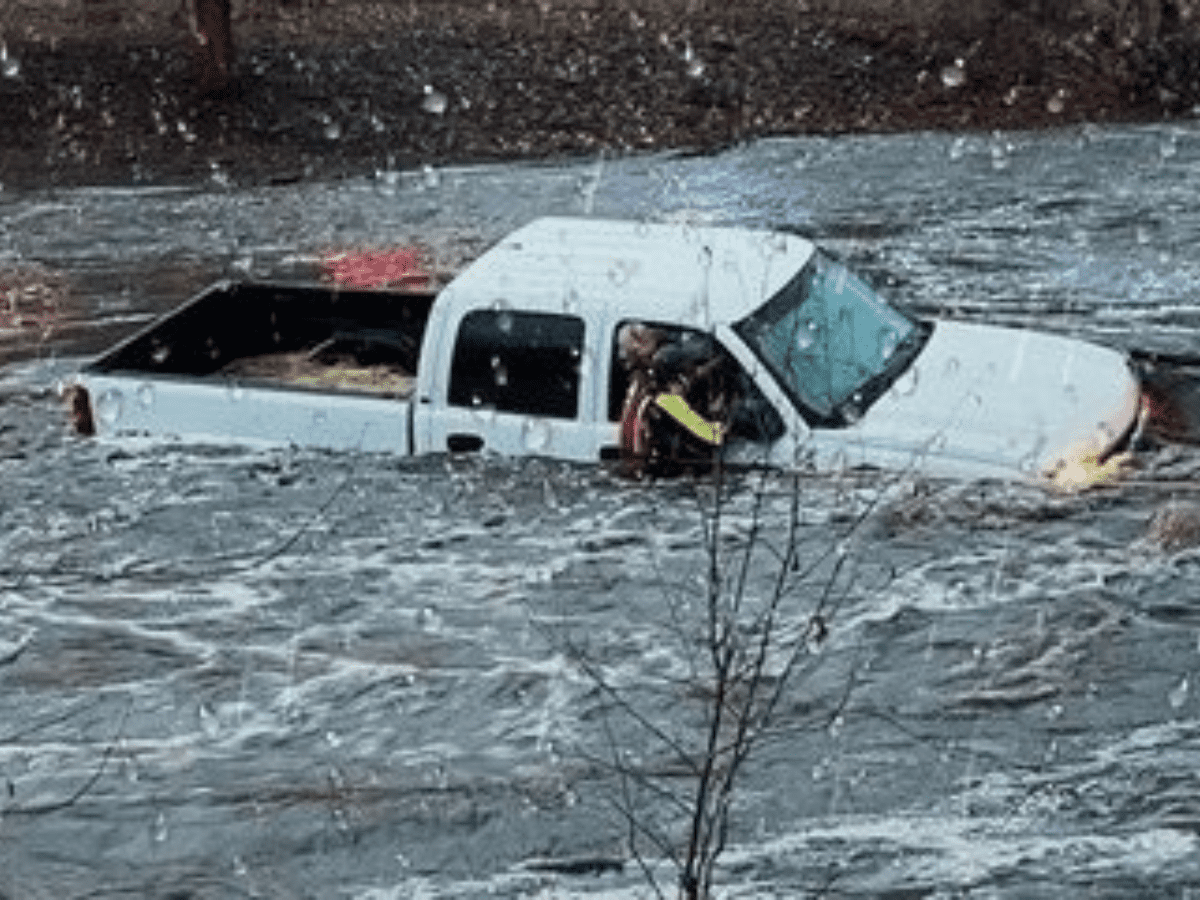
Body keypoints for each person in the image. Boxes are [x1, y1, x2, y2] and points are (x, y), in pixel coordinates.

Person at [618, 323, 730, 478]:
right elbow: (713, 435)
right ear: (673, 379)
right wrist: (731, 424)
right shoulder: (668, 401)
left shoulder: (640, 384)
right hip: (665, 470)